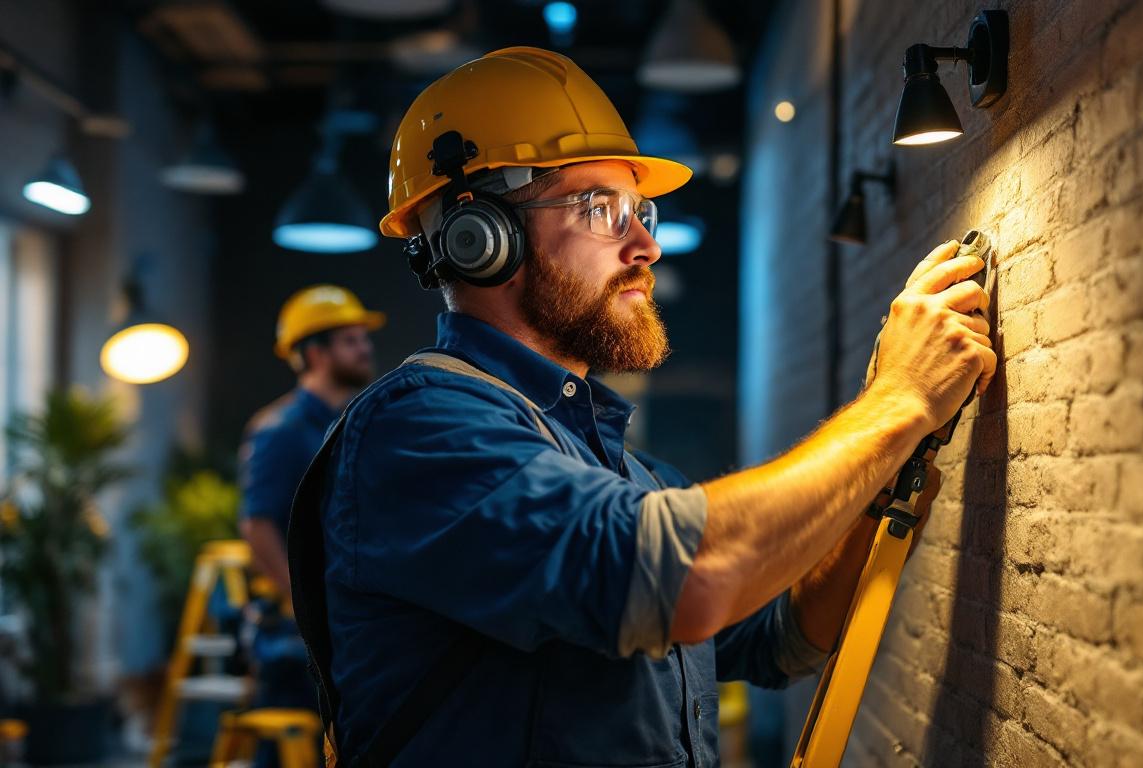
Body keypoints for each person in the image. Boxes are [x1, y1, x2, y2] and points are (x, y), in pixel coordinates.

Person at [289, 47, 995, 767]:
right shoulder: (417, 430)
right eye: (602, 209)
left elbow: (780, 639)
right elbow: (681, 578)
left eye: (642, 210)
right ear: (480, 240)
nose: (646, 245)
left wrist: (879, 482)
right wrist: (896, 401)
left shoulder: (614, 463)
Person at [236, 285, 381, 763]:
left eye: (364, 338)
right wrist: (305, 611)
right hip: (295, 638)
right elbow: (258, 527)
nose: (366, 348)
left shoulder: (351, 422)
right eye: (351, 340)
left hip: (340, 623)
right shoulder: (280, 430)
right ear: (315, 353)